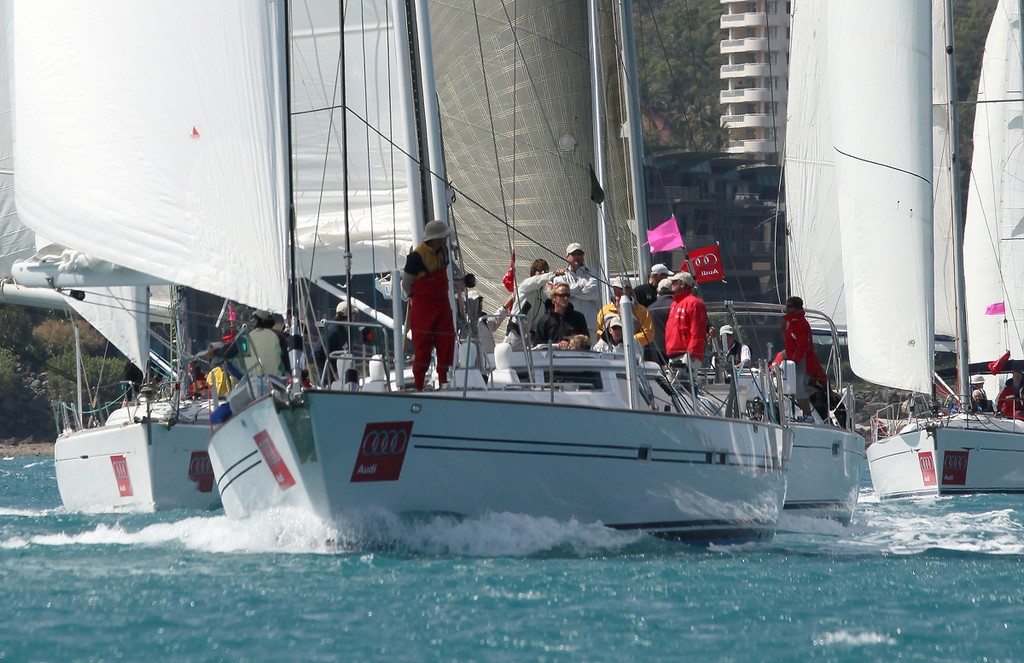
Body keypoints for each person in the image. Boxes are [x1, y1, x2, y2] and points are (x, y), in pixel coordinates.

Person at [401, 219, 456, 390]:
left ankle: (444, 380)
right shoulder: (416, 257)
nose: (445, 239)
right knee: (423, 344)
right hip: (423, 306)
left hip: (442, 303)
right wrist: (413, 296)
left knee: (446, 340)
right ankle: (418, 384)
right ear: (436, 238)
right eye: (443, 237)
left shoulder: (443, 251)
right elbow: (406, 283)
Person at [551, 243, 601, 341]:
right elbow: (558, 291)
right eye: (574, 254)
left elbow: (594, 294)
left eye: (580, 254)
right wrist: (581, 285)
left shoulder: (593, 273)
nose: (577, 257)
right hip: (567, 326)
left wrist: (570, 292)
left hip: (589, 327)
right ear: (567, 256)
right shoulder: (560, 276)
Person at [595, 276, 655, 350]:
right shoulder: (604, 311)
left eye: (620, 289)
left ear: (629, 289)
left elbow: (649, 334)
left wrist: (628, 339)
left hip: (633, 351)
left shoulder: (642, 311)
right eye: (614, 289)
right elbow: (599, 332)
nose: (616, 292)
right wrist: (612, 338)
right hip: (609, 353)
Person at [665, 271, 708, 371]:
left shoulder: (695, 303)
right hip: (673, 355)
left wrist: (691, 354)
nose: (672, 284)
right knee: (672, 386)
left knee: (686, 385)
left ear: (682, 284)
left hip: (687, 356)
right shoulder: (674, 304)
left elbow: (698, 331)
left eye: (675, 282)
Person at [506, 258, 553, 349]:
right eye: (540, 270)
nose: (543, 273)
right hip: (515, 332)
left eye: (546, 271)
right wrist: (553, 274)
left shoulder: (544, 296)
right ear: (534, 272)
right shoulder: (526, 285)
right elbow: (537, 280)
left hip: (530, 337)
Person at [781, 296, 815, 420]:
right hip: (791, 358)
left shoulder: (800, 323)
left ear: (796, 308)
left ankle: (808, 415)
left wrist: (794, 360)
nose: (786, 309)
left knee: (799, 389)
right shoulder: (792, 321)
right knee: (793, 388)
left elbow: (802, 346)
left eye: (789, 306)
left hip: (798, 361)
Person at [531, 283, 590, 348]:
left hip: (574, 356)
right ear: (553, 298)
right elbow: (538, 346)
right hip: (551, 357)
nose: (565, 298)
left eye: (567, 295)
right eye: (561, 295)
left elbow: (587, 343)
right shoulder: (544, 320)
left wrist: (571, 343)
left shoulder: (578, 318)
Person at [244, 309, 289, 377]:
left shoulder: (249, 336)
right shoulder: (279, 335)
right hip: (276, 380)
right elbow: (287, 361)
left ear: (258, 320)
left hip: (251, 379)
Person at [645, 277, 674, 361]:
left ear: (658, 291)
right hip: (672, 351)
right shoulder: (675, 306)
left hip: (654, 351)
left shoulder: (649, 309)